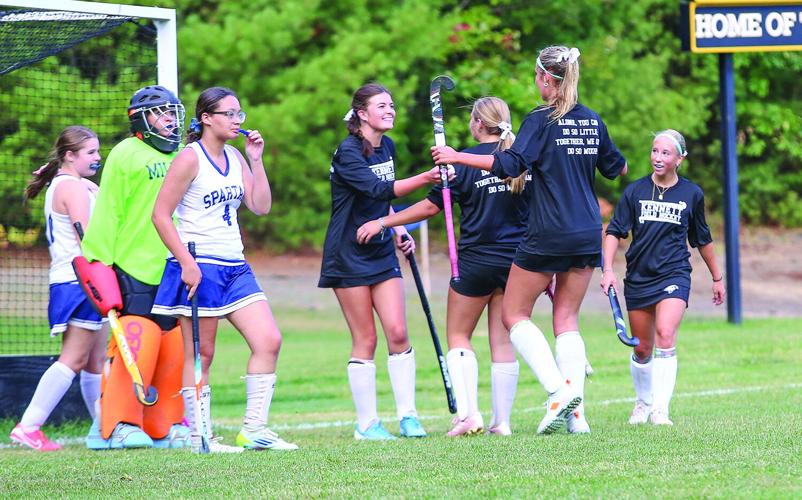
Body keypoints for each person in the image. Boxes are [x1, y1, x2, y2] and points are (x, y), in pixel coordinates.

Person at [432, 45, 628, 434]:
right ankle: (578, 418)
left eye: (536, 76)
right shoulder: (592, 119)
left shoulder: (540, 120)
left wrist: (457, 156)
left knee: (514, 314)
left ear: (546, 79)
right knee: (567, 319)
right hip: (588, 230)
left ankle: (558, 393)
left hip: (549, 231)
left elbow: (510, 164)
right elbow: (616, 167)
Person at [357, 97, 527, 437]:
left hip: (476, 260)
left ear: (477, 124)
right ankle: (501, 423)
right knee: (503, 342)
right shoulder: (520, 158)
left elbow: (431, 207)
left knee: (458, 335)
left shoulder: (460, 161)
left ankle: (468, 416)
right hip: (518, 262)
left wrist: (385, 222)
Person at [151, 86, 296, 452]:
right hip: (200, 266)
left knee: (269, 340)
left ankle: (254, 429)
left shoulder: (235, 154)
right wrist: (186, 262)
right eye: (229, 114)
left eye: (239, 113)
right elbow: (160, 215)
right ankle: (201, 435)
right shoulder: (189, 158)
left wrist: (257, 159)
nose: (237, 120)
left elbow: (261, 206)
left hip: (235, 265)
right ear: (206, 118)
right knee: (202, 354)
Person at [320, 83, 446, 440]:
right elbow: (374, 189)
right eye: (382, 106)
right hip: (347, 254)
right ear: (362, 114)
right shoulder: (347, 153)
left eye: (392, 105)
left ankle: (409, 417)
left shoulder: (385, 147)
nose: (390, 110)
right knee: (366, 339)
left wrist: (396, 228)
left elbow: (380, 203)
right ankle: (367, 424)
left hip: (379, 249)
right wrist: (426, 177)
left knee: (399, 332)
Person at [80, 85, 190, 450]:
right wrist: (99, 262)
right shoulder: (126, 153)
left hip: (171, 266)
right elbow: (109, 208)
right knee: (137, 344)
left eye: (173, 112)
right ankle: (116, 424)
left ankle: (164, 423)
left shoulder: (182, 154)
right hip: (132, 263)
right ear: (141, 120)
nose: (170, 120)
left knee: (170, 347)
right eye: (162, 113)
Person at [601, 129, 725, 426]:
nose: (658, 157)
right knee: (642, 348)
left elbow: (702, 239)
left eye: (665, 153)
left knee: (665, 335)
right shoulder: (634, 191)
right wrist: (607, 270)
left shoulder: (691, 194)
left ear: (679, 159)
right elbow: (614, 232)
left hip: (675, 274)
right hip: (639, 277)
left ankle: (660, 409)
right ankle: (643, 402)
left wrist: (717, 278)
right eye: (655, 151)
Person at [10, 126, 108, 451]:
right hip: (79, 280)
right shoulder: (72, 188)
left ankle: (103, 428)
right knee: (74, 358)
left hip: (78, 279)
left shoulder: (72, 184)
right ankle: (29, 426)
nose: (98, 157)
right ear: (70, 155)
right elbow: (90, 240)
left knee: (95, 359)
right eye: (91, 152)